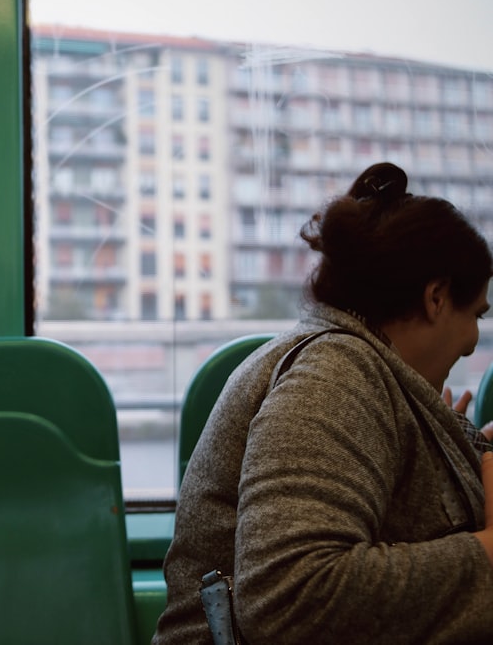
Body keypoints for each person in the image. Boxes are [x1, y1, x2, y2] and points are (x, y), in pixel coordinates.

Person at [154, 162, 493, 643]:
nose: (473, 342)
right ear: (436, 297)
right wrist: (488, 553)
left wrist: (456, 459)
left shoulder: (352, 367)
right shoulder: (335, 373)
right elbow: (293, 598)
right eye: (476, 314)